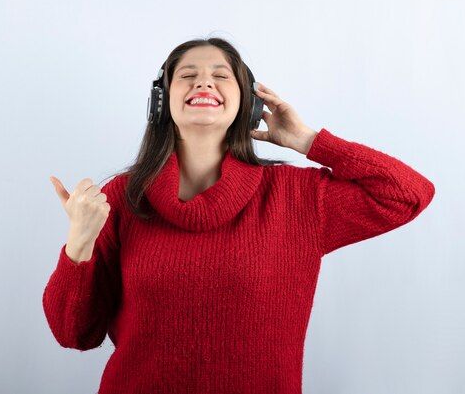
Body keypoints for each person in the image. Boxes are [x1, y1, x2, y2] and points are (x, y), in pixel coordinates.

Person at [42, 37, 436, 394]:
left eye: (220, 75)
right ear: (161, 101)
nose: (204, 83)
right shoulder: (120, 200)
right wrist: (78, 244)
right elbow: (73, 333)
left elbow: (407, 195)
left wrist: (310, 141)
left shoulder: (296, 196)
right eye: (188, 75)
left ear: (248, 103)